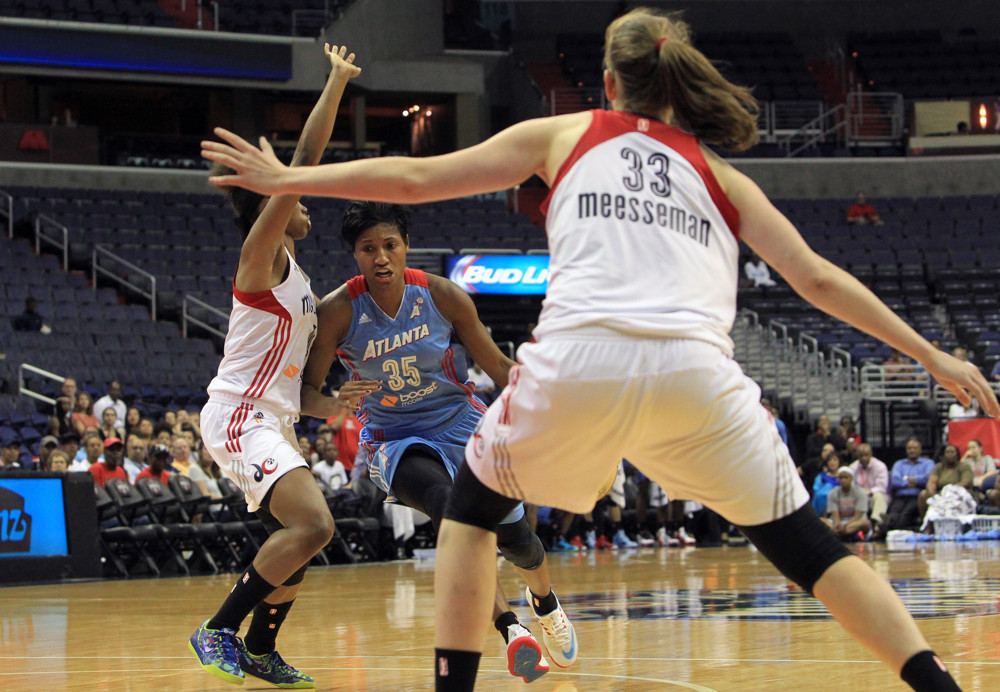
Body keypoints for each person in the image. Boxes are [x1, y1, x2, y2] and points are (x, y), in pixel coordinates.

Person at [200, 9, 997, 691]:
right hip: (701, 378)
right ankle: (935, 683)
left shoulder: (567, 131)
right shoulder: (720, 175)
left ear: (608, 85)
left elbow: (413, 178)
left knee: (468, 518)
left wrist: (284, 179)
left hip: (582, 362)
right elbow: (819, 281)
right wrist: (934, 355)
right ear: (677, 86)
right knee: (813, 551)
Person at [298, 201, 576, 682]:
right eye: (369, 249)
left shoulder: (444, 295)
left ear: (405, 247)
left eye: (390, 245)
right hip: (394, 436)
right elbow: (303, 393)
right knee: (449, 509)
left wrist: (556, 402)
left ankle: (545, 603)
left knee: (520, 545)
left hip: (462, 424)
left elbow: (497, 368)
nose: (381, 257)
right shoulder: (338, 310)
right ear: (355, 256)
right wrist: (332, 403)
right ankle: (512, 631)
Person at [188, 43, 362, 690]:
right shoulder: (262, 260)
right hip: (238, 417)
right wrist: (337, 83)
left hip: (275, 419)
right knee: (316, 522)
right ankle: (219, 628)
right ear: (273, 210)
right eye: (293, 201)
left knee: (302, 538)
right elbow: (305, 165)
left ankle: (261, 649)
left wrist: (346, 401)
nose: (307, 204)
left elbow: (304, 393)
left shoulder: (302, 287)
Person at [886, 438, 936, 532]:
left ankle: (892, 530)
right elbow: (895, 481)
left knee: (905, 514)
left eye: (915, 448)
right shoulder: (899, 464)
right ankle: (888, 528)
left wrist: (905, 479)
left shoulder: (928, 463)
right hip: (900, 496)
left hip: (916, 496)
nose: (912, 450)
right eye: (909, 448)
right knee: (894, 513)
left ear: (920, 450)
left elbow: (927, 479)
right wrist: (915, 482)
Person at [917, 444, 974, 519]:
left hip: (957, 494)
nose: (950, 454)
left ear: (957, 454)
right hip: (940, 495)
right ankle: (927, 525)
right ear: (944, 455)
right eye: (947, 452)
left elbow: (966, 482)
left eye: (952, 452)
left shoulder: (964, 466)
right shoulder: (939, 467)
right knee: (923, 494)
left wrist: (949, 491)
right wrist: (933, 494)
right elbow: (932, 482)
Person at [849, 443, 890, 534]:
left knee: (879, 497)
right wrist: (860, 493)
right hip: (858, 497)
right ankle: (854, 528)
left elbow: (882, 487)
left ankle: (877, 525)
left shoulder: (880, 466)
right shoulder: (852, 467)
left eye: (866, 455)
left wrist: (868, 492)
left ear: (871, 454)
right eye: (861, 455)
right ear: (857, 456)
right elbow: (850, 486)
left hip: (872, 496)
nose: (863, 458)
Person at [822, 467, 871, 541]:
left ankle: (838, 534)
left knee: (866, 523)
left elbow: (858, 516)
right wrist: (837, 525)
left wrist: (845, 525)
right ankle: (844, 533)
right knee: (821, 520)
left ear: (851, 479)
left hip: (854, 522)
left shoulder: (861, 492)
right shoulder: (832, 493)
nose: (843, 480)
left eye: (846, 477)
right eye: (841, 478)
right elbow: (835, 516)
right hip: (838, 523)